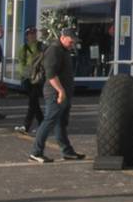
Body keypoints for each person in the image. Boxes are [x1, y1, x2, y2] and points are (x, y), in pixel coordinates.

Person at [29, 28, 85, 163]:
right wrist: (60, 91)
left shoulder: (64, 50)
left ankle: (67, 151)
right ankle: (36, 152)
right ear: (63, 37)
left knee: (60, 123)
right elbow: (51, 75)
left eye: (73, 43)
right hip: (55, 92)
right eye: (71, 41)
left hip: (63, 92)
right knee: (49, 120)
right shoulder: (54, 50)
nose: (72, 45)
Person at [15, 27, 45, 135]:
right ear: (26, 35)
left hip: (38, 78)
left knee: (33, 102)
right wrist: (24, 75)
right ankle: (42, 124)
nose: (32, 35)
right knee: (34, 103)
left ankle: (26, 126)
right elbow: (21, 63)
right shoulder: (24, 47)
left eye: (34, 33)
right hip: (28, 78)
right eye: (30, 34)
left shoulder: (41, 46)